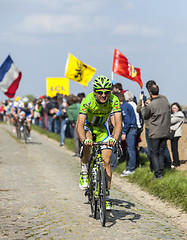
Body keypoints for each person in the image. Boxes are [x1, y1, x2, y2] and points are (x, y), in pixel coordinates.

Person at [76, 75, 122, 210]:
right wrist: (84, 140)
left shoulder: (114, 100)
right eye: (100, 92)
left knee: (106, 161)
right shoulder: (87, 100)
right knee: (88, 144)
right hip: (88, 127)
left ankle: (106, 196)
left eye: (107, 92)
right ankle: (84, 170)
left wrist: (114, 138)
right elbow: (79, 124)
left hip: (102, 129)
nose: (103, 95)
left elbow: (118, 123)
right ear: (94, 91)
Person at [137, 80, 172, 170]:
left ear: (149, 91)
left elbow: (141, 112)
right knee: (162, 150)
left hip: (152, 128)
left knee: (153, 152)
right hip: (164, 128)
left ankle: (156, 170)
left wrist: (142, 103)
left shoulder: (149, 101)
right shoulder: (164, 100)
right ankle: (165, 167)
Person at [116, 93, 137, 176]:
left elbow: (127, 121)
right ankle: (128, 167)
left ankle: (131, 169)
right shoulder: (125, 105)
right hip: (130, 129)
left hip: (131, 130)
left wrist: (124, 132)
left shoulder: (124, 107)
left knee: (131, 149)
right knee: (129, 149)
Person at [170, 102, 185, 168]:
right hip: (174, 133)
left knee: (174, 148)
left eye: (175, 108)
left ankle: (176, 162)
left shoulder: (179, 115)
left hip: (176, 134)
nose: (173, 109)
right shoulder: (174, 114)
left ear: (178, 108)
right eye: (172, 108)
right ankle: (176, 162)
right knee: (173, 148)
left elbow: (171, 121)